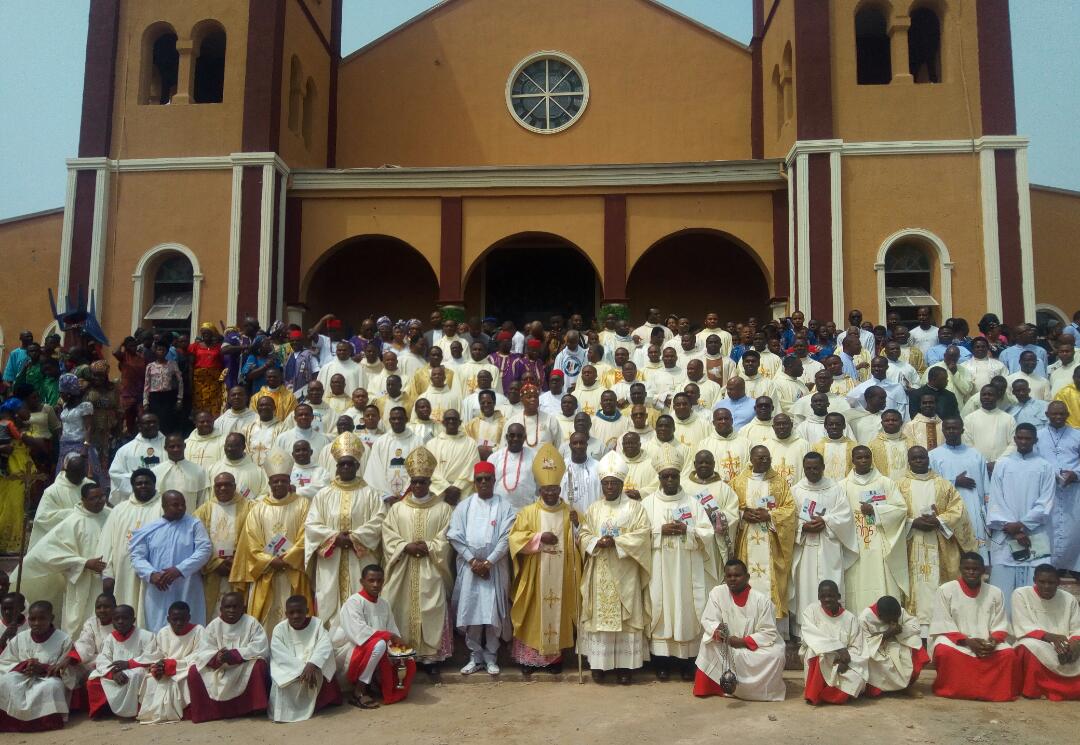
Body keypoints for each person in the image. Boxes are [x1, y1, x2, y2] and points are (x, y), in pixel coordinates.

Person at [577, 451, 651, 685]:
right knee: (599, 617)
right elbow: (584, 534)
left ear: (621, 483)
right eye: (606, 483)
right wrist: (594, 542)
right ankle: (599, 665)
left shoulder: (635, 508)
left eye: (614, 483)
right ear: (601, 484)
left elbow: (643, 534)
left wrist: (616, 542)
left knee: (625, 618)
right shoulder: (594, 508)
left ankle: (625, 667)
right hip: (600, 569)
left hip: (625, 570)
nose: (610, 486)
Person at [507, 444, 580, 675]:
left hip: (561, 574)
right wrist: (538, 538)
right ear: (540, 490)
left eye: (555, 489)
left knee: (557, 613)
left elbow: (580, 541)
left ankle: (553, 661)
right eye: (546, 489)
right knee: (532, 614)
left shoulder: (570, 512)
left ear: (560, 489)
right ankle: (528, 661)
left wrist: (577, 526)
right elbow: (515, 539)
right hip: (535, 573)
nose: (550, 493)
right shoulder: (528, 512)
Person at [381, 447, 453, 678]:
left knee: (431, 607)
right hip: (404, 568)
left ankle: (430, 659)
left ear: (430, 481)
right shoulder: (398, 508)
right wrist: (405, 546)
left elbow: (446, 537)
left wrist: (431, 547)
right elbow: (388, 534)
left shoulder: (443, 509)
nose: (419, 486)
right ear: (410, 482)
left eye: (423, 481)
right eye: (415, 482)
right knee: (401, 607)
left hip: (431, 568)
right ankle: (404, 654)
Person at [641, 465, 716, 680]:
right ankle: (661, 662)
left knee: (686, 608)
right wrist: (659, 531)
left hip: (686, 569)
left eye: (674, 476)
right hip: (659, 568)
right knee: (660, 608)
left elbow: (707, 533)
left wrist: (688, 530)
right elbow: (639, 535)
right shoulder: (648, 504)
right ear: (659, 478)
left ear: (679, 477)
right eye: (666, 476)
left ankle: (687, 662)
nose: (670, 480)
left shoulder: (693, 503)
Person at [305, 432, 385, 628]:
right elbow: (312, 524)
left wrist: (354, 538)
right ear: (336, 466)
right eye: (342, 464)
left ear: (358, 466)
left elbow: (380, 520)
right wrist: (334, 538)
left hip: (360, 558)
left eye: (350, 464)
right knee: (329, 602)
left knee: (361, 603)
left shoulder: (371, 494)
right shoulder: (323, 494)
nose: (346, 467)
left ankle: (364, 645)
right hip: (331, 561)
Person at [230, 448, 311, 632]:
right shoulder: (258, 509)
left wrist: (287, 559)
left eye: (283, 480)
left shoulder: (303, 504)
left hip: (293, 571)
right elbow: (250, 542)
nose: (280, 484)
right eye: (276, 481)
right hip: (266, 573)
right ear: (270, 483)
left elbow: (306, 536)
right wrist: (270, 560)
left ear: (290, 482)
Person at [899, 446, 976, 636]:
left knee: (938, 589)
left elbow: (959, 511)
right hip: (911, 543)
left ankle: (943, 631)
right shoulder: (900, 485)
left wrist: (939, 520)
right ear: (909, 461)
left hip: (940, 542)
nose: (919, 461)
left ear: (928, 459)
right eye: (915, 458)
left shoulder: (943, 484)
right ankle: (917, 637)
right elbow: (893, 513)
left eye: (922, 457)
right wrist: (912, 522)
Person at [448, 462, 515, 676]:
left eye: (488, 478)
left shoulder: (504, 506)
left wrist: (489, 562)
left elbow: (506, 537)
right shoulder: (464, 506)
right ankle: (475, 656)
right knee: (472, 612)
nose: (484, 482)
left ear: (494, 481)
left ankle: (491, 657)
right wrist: (472, 561)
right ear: (474, 482)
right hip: (470, 568)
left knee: (492, 612)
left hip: (494, 568)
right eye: (479, 479)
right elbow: (454, 535)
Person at [19, 481, 109, 637]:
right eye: (94, 498)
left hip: (108, 580)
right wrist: (84, 562)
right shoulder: (72, 522)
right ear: (83, 500)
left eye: (102, 497)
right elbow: (48, 553)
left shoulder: (111, 514)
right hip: (82, 582)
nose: (99, 501)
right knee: (81, 623)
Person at [929, 552, 1019, 701]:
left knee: (1008, 654)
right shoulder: (945, 590)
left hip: (986, 642)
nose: (971, 572)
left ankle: (993, 692)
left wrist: (992, 642)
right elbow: (943, 622)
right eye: (967, 568)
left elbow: (1000, 623)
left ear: (983, 570)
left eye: (975, 569)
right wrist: (968, 642)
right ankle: (952, 690)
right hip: (957, 641)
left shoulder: (995, 592)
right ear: (960, 569)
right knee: (944, 651)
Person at [693, 558, 786, 701]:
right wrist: (719, 631)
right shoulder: (717, 593)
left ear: (747, 577)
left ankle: (759, 692)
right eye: (729, 576)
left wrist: (743, 642)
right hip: (727, 641)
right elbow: (709, 620)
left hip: (751, 644)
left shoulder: (761, 600)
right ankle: (717, 687)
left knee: (777, 654)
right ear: (724, 578)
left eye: (737, 575)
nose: (733, 579)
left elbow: (769, 632)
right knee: (708, 643)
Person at [986, 423, 1056, 611]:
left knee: (1035, 584)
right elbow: (995, 499)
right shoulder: (1003, 464)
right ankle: (1003, 631)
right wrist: (1014, 530)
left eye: (1028, 438)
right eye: (1020, 438)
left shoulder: (1045, 466)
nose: (1024, 442)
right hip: (1006, 533)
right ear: (1015, 439)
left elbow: (1046, 502)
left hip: (1035, 535)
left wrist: (1022, 526)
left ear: (1035, 440)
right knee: (1002, 588)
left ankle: (1034, 629)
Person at [788, 452, 858, 637]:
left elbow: (845, 516)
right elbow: (789, 519)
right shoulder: (795, 490)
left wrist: (825, 521)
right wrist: (802, 527)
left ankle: (835, 632)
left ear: (823, 467)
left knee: (831, 584)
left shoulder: (835, 489)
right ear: (803, 468)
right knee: (805, 588)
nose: (812, 471)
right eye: (808, 468)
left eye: (816, 468)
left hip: (829, 547)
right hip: (805, 549)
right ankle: (803, 634)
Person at [330, 564, 413, 707]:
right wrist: (389, 636)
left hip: (374, 650)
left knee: (406, 658)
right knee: (379, 644)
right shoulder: (354, 602)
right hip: (352, 649)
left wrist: (399, 647)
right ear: (362, 582)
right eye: (371, 580)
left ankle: (376, 684)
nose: (376, 585)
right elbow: (357, 633)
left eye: (379, 581)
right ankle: (359, 691)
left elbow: (392, 629)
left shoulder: (384, 604)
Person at [730, 445, 796, 625]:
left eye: (767, 458)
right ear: (751, 459)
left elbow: (790, 509)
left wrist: (770, 515)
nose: (765, 461)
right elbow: (729, 508)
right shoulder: (738, 482)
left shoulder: (779, 482)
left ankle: (775, 628)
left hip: (771, 541)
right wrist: (743, 514)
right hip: (746, 538)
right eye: (760, 458)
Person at [840, 446, 909, 613]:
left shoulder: (885, 482)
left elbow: (900, 509)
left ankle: (885, 617)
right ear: (853, 461)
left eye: (867, 457)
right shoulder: (842, 486)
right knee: (855, 581)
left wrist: (876, 511)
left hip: (880, 540)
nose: (863, 460)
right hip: (853, 543)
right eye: (859, 457)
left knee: (881, 578)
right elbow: (837, 514)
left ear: (872, 458)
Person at [129, 490, 211, 631]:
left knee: (190, 626)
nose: (181, 508)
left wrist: (179, 570)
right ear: (164, 506)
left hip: (187, 585)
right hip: (158, 588)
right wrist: (151, 574)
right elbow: (137, 556)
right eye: (175, 505)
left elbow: (204, 550)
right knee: (158, 627)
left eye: (183, 504)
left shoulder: (194, 525)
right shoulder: (149, 529)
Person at [187, 592, 271, 723]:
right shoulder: (214, 625)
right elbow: (203, 651)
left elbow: (260, 646)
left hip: (242, 665)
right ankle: (208, 713)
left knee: (259, 665)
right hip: (219, 668)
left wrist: (235, 654)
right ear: (221, 609)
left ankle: (252, 709)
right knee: (194, 671)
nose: (231, 610)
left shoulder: (251, 623)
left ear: (243, 608)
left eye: (235, 607)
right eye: (228, 607)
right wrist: (217, 657)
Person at [0, 601, 76, 732]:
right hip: (22, 676)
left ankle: (43, 724)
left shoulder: (63, 639)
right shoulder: (20, 637)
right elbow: (4, 662)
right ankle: (10, 723)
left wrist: (44, 668)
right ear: (28, 619)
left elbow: (68, 671)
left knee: (52, 687)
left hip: (47, 679)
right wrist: (23, 666)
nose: (36, 623)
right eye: (33, 619)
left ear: (51, 618)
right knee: (4, 681)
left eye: (41, 619)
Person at [98, 469, 163, 619]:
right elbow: (106, 542)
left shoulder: (162, 507)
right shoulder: (120, 509)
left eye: (147, 483)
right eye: (138, 483)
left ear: (154, 484)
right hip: (124, 572)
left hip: (154, 572)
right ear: (132, 486)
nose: (143, 486)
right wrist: (107, 574)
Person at [1011, 564, 1080, 701]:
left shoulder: (1069, 599)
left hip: (1064, 643)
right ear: (1034, 580)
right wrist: (1051, 637)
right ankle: (1035, 690)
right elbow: (1023, 625)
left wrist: (1074, 643)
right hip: (1037, 640)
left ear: (1058, 583)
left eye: (1051, 582)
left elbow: (1076, 627)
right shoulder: (1021, 594)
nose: (1046, 586)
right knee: (1028, 646)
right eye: (1042, 582)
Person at [267, 595, 339, 722]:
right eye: (292, 612)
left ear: (306, 611)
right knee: (282, 684)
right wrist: (303, 670)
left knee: (324, 659)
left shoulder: (317, 624)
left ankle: (319, 703)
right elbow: (280, 655)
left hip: (313, 666)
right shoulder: (279, 629)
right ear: (286, 613)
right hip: (290, 670)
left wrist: (312, 664)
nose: (296, 615)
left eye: (300, 611)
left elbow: (324, 645)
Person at [799, 580, 869, 705]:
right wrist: (838, 648)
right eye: (823, 596)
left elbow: (857, 646)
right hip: (822, 657)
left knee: (857, 680)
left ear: (838, 597)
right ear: (818, 597)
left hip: (844, 661)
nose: (826, 600)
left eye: (830, 596)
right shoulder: (811, 611)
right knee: (814, 651)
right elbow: (810, 636)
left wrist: (845, 661)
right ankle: (814, 694)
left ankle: (827, 695)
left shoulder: (850, 618)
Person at [136, 600, 203, 724]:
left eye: (183, 619)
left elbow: (200, 655)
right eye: (175, 619)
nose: (179, 623)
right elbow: (158, 654)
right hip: (167, 668)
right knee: (150, 679)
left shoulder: (199, 630)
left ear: (189, 617)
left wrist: (174, 665)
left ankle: (177, 713)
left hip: (186, 668)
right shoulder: (163, 632)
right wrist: (160, 665)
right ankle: (154, 713)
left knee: (180, 680)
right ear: (168, 619)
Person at [85, 604, 157, 719]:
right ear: (112, 621)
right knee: (93, 679)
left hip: (138, 670)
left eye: (125, 618)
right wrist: (113, 673)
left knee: (135, 675)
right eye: (116, 618)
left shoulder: (146, 636)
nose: (120, 621)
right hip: (116, 671)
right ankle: (104, 711)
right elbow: (103, 658)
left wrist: (129, 664)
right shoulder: (110, 638)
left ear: (133, 620)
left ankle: (134, 711)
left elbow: (152, 656)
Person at [1035, 402, 1080, 575]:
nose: (1058, 417)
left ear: (1068, 415)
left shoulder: (1077, 435)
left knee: (1074, 529)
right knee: (1050, 529)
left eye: (1062, 414)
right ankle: (1051, 567)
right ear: (1047, 414)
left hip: (1073, 491)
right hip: (1048, 491)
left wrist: (1076, 474)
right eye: (1054, 414)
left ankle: (1074, 567)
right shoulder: (1038, 436)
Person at [858, 595, 928, 696]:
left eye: (896, 619)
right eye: (891, 620)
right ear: (880, 616)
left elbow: (915, 626)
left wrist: (900, 629)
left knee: (916, 645)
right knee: (870, 660)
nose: (894, 622)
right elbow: (863, 643)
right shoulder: (864, 618)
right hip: (878, 650)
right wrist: (886, 634)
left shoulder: (898, 611)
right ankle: (887, 689)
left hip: (898, 642)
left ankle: (907, 686)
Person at [363, 407, 425, 502]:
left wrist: (404, 493)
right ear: (389, 421)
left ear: (406, 419)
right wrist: (386, 495)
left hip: (411, 497)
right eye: (393, 419)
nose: (396, 421)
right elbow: (374, 470)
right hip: (385, 499)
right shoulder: (380, 442)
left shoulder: (418, 442)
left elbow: (420, 470)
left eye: (400, 418)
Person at [108, 413, 166, 505]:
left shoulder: (170, 446)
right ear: (139, 426)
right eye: (147, 423)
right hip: (136, 500)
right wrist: (138, 480)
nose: (152, 425)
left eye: (154, 422)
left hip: (163, 499)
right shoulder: (125, 450)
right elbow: (115, 474)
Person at [428, 409, 480, 505]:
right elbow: (430, 470)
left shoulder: (470, 443)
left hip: (462, 494)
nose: (451, 421)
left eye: (454, 419)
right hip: (439, 493)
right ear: (443, 422)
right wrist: (446, 488)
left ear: (460, 422)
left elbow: (471, 468)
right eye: (448, 419)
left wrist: (457, 488)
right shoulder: (432, 444)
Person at [152, 433, 210, 514]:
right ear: (165, 448)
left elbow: (202, 500)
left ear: (185, 446)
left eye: (179, 446)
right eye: (172, 446)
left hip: (190, 520)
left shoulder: (198, 470)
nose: (176, 449)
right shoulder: (155, 472)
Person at [207, 433, 268, 501]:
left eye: (234, 446)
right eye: (227, 445)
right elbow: (207, 496)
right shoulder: (213, 469)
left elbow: (265, 494)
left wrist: (251, 505)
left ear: (243, 447)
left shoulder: (258, 471)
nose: (230, 449)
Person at [490, 423, 538, 512]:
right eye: (512, 435)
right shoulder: (494, 457)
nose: (515, 439)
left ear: (525, 438)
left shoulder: (534, 456)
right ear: (506, 437)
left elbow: (539, 484)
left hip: (527, 510)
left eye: (519, 436)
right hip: (500, 510)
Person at [143, 342, 184, 435]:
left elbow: (180, 381)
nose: (161, 352)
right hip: (154, 397)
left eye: (163, 350)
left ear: (166, 352)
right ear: (155, 351)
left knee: (167, 421)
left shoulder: (172, 364)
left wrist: (179, 399)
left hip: (168, 397)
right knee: (155, 420)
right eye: (159, 349)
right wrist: (145, 401)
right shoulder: (150, 366)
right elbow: (146, 384)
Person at [189, 324, 225, 417]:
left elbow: (222, 362)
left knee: (215, 403)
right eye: (203, 333)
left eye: (208, 333)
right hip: (199, 381)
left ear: (212, 334)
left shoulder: (219, 347)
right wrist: (190, 382)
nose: (205, 335)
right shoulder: (195, 346)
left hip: (214, 381)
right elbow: (190, 365)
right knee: (199, 403)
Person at [868, 409, 914, 481]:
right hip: (884, 486)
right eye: (887, 420)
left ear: (901, 423)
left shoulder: (911, 443)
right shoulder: (873, 445)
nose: (890, 422)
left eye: (894, 420)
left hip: (907, 485)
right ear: (882, 423)